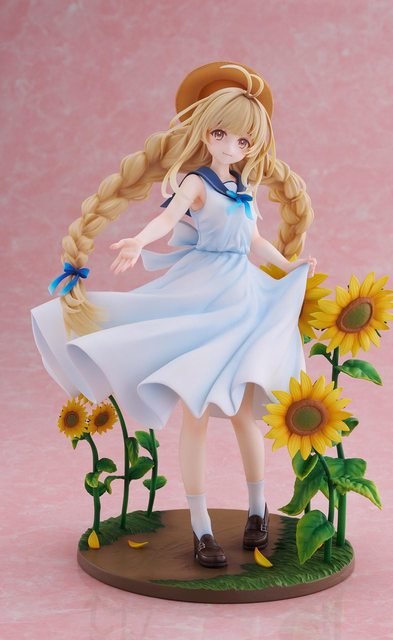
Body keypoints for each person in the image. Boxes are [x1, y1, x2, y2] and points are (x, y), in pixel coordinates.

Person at [31, 61, 317, 569]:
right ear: (207, 133)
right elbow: (166, 219)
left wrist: (289, 266)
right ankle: (202, 528)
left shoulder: (244, 190)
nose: (231, 146)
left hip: (242, 298)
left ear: (252, 147)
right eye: (222, 134)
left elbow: (255, 241)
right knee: (197, 415)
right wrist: (139, 240)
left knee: (244, 413)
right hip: (201, 296)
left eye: (243, 141)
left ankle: (258, 509)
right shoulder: (196, 182)